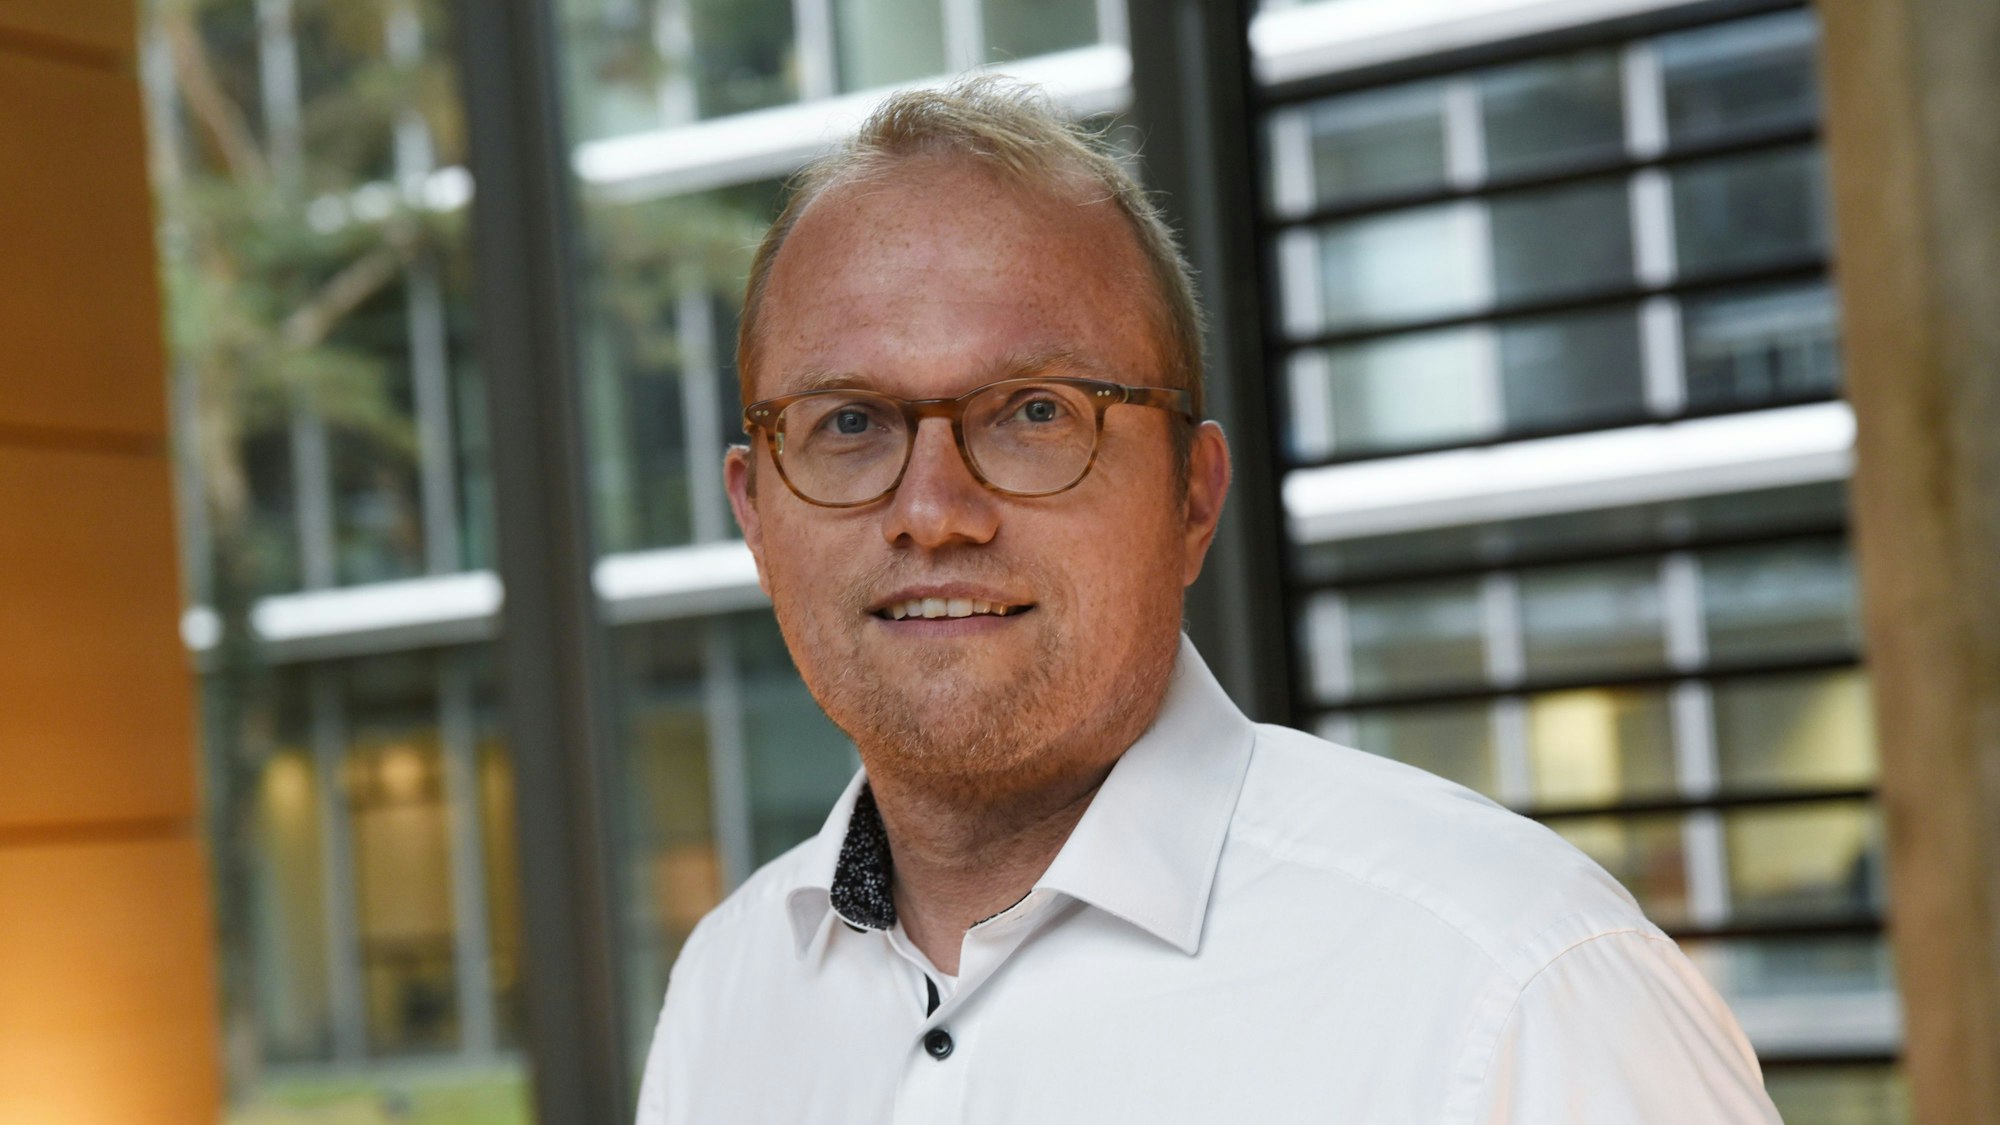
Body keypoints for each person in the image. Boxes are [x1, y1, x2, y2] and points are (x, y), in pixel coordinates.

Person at [634, 77, 1783, 1124]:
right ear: (754, 513)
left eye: (1034, 412)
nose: (932, 509)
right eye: (848, 423)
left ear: (1192, 496)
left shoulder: (1514, 987)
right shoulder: (727, 991)